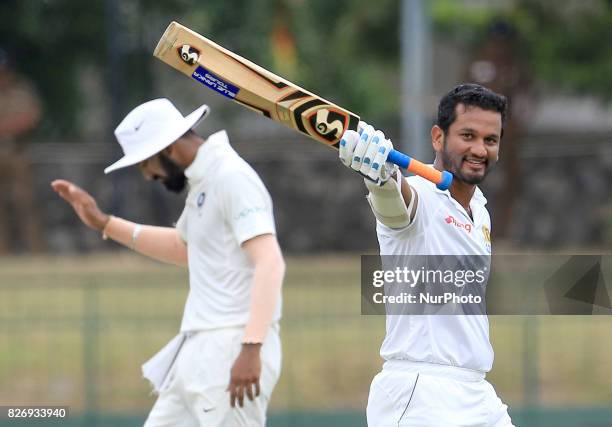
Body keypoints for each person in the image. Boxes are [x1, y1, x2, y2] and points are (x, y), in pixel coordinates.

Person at [51, 98, 285, 427]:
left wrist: (250, 348)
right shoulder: (204, 182)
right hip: (196, 350)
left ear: (169, 148)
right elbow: (185, 248)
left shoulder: (231, 177)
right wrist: (105, 223)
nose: (148, 176)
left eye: (146, 164)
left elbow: (270, 262)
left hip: (232, 347)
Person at [339, 84, 514, 426]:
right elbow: (398, 205)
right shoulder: (420, 195)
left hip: (477, 392)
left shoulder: (479, 210)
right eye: (468, 135)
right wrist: (381, 178)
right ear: (438, 137)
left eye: (490, 140)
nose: (479, 149)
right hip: (422, 394)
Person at [0, 47, 44, 253]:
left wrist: (8, 128)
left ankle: (35, 252)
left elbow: (32, 116)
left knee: (25, 204)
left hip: (17, 152)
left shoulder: (22, 90)